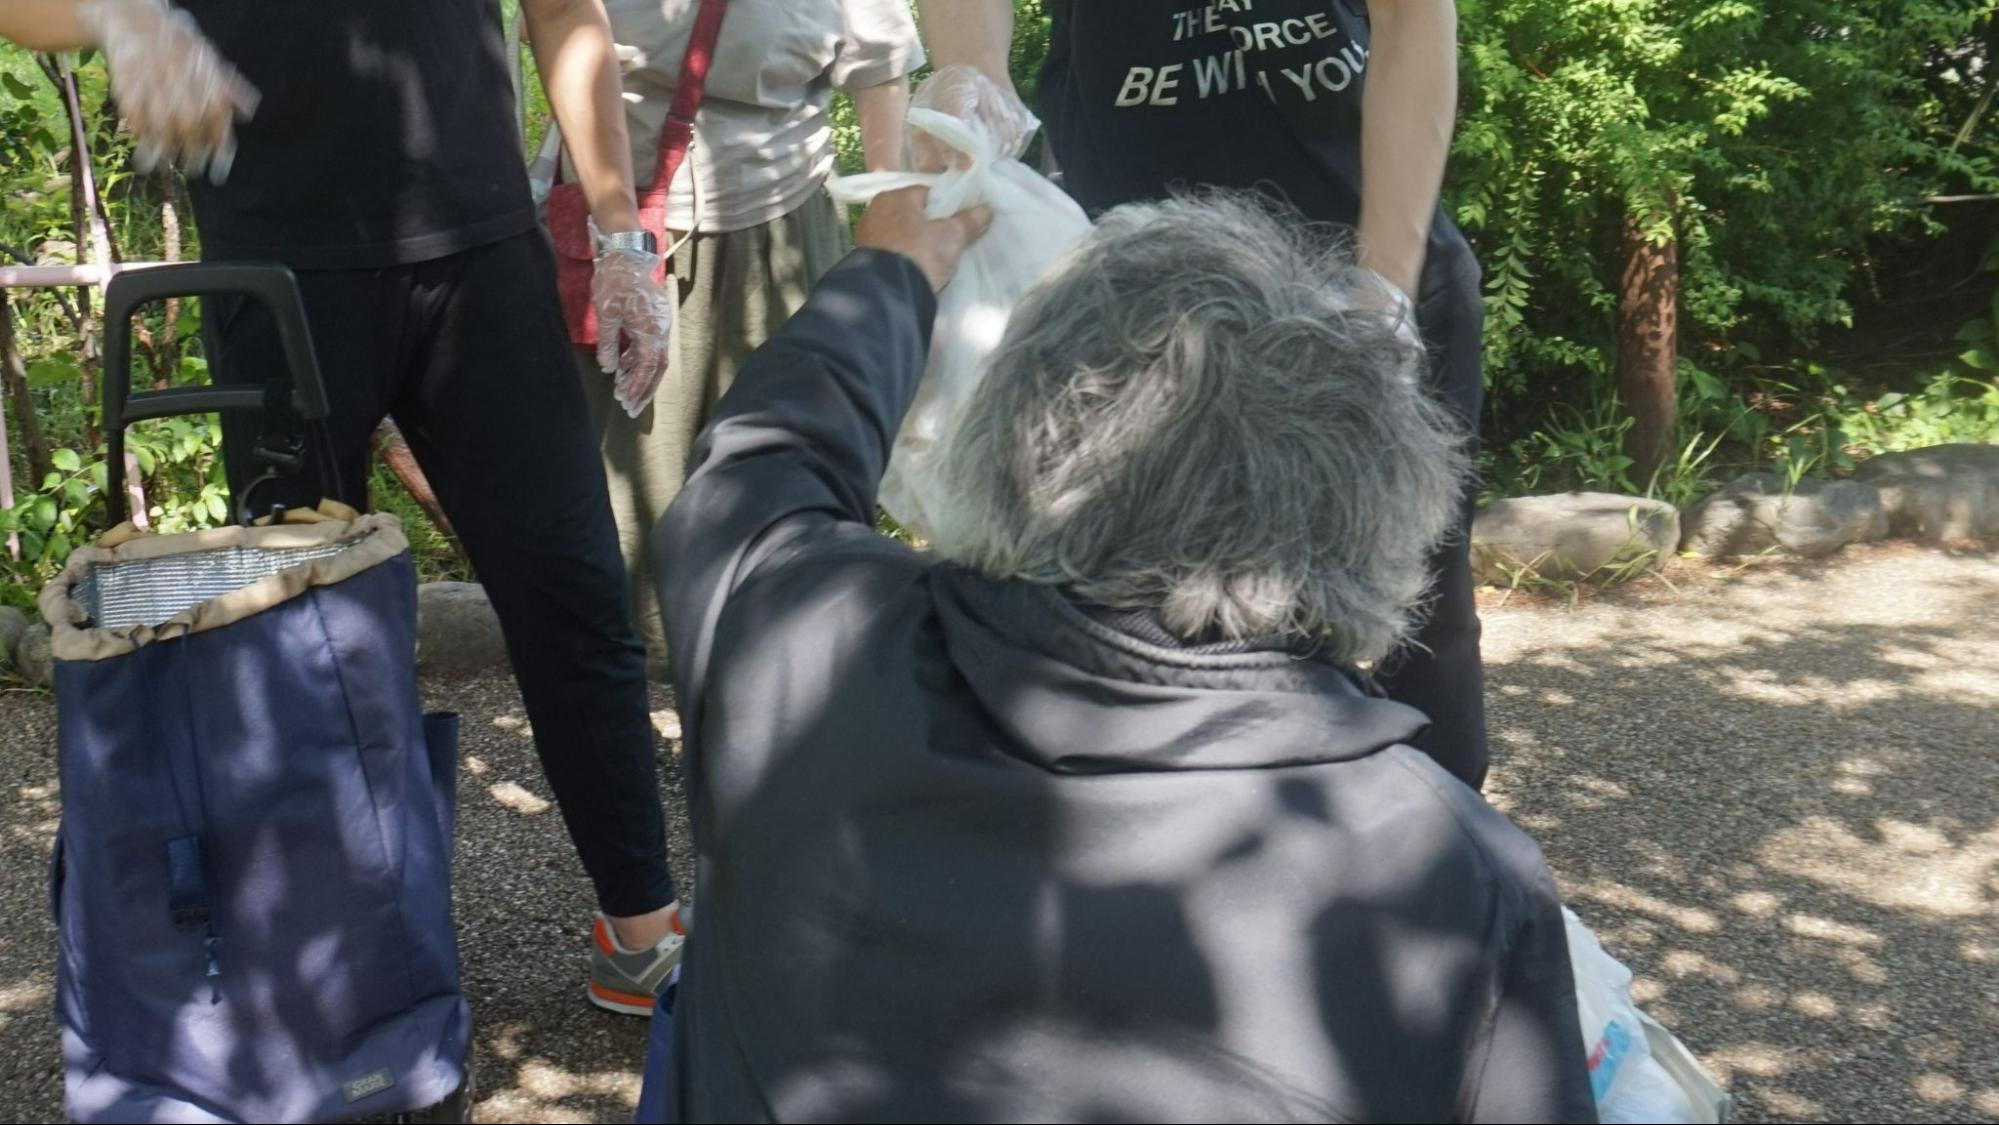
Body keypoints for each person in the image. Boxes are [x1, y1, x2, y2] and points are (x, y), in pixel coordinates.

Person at [651, 189, 1594, 1121]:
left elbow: (763, 456)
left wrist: (897, 266)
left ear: (1008, 432)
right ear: (1379, 508)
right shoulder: (1446, 875)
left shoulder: (800, 641)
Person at [2, 0, 689, 1015]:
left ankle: (641, 932)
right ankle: (342, 976)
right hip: (274, 270)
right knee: (292, 647)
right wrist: (122, 16)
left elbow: (563, 10)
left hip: (481, 255)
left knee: (575, 596)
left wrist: (621, 229)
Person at [916, 0, 1493, 791]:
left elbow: (1413, 15)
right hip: (1127, 293)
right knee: (1117, 607)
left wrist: (1384, 291)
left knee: (1413, 616)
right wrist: (970, 78)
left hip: (1362, 247)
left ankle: (1442, 879)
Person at [536, 0, 925, 680]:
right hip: (622, 219)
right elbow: (557, 22)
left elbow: (879, 61)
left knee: (782, 480)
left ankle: (776, 690)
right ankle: (633, 690)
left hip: (784, 224)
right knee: (626, 499)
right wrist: (619, 240)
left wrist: (892, 212)